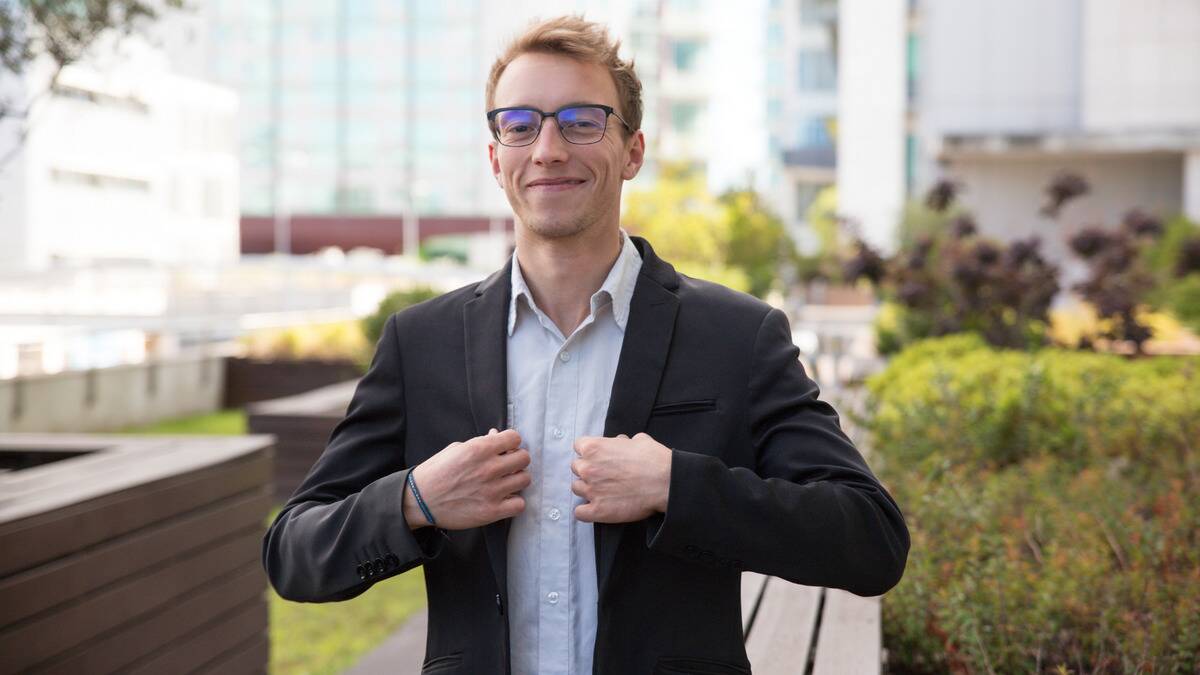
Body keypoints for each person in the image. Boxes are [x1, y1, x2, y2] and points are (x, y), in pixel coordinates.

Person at [262, 15, 909, 675]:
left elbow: (869, 539)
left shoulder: (738, 336)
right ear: (496, 157)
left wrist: (677, 486)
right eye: (520, 124)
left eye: (581, 120)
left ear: (633, 151)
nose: (548, 149)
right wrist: (415, 500)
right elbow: (294, 552)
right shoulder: (420, 342)